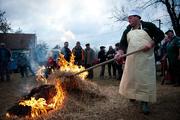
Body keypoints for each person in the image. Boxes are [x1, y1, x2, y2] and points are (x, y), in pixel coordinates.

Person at [115, 9, 165, 114]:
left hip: (145, 58)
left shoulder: (148, 26)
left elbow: (161, 35)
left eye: (130, 17)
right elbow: (123, 44)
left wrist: (151, 43)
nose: (129, 20)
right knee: (131, 78)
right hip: (131, 59)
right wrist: (119, 53)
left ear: (137, 17)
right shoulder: (127, 30)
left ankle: (144, 101)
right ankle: (132, 95)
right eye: (128, 18)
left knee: (144, 79)